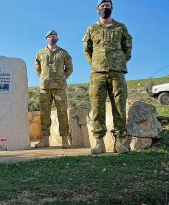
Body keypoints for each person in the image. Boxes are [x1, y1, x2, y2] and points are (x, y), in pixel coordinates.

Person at [83, 0, 132, 154]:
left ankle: (119, 142)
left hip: (117, 72)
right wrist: (95, 64)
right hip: (97, 73)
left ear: (112, 8)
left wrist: (119, 61)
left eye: (108, 6)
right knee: (97, 105)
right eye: (102, 6)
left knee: (119, 105)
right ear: (97, 9)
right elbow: (87, 50)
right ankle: (99, 142)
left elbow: (127, 48)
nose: (105, 8)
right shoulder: (91, 28)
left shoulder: (121, 27)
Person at [35, 30, 73, 149]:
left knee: (62, 112)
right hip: (45, 88)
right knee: (44, 114)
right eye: (50, 37)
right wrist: (44, 78)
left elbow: (69, 68)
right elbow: (38, 69)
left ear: (58, 39)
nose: (52, 38)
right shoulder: (40, 53)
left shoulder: (63, 53)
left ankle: (65, 140)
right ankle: (45, 139)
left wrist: (62, 78)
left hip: (59, 87)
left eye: (54, 36)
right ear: (46, 38)